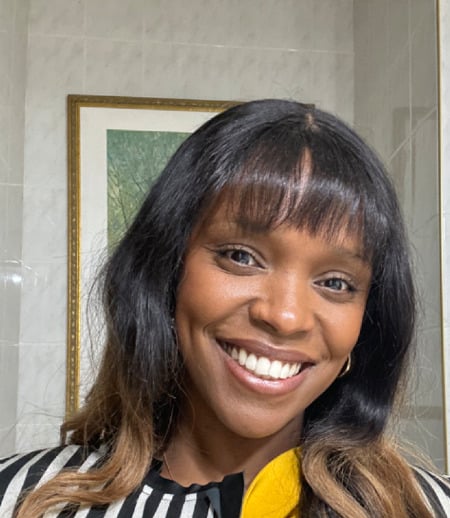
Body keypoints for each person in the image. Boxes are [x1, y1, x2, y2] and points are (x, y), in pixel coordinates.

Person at [1, 99, 449, 517]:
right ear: (166, 271)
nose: (285, 316)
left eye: (335, 283)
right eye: (241, 256)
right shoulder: (19, 498)